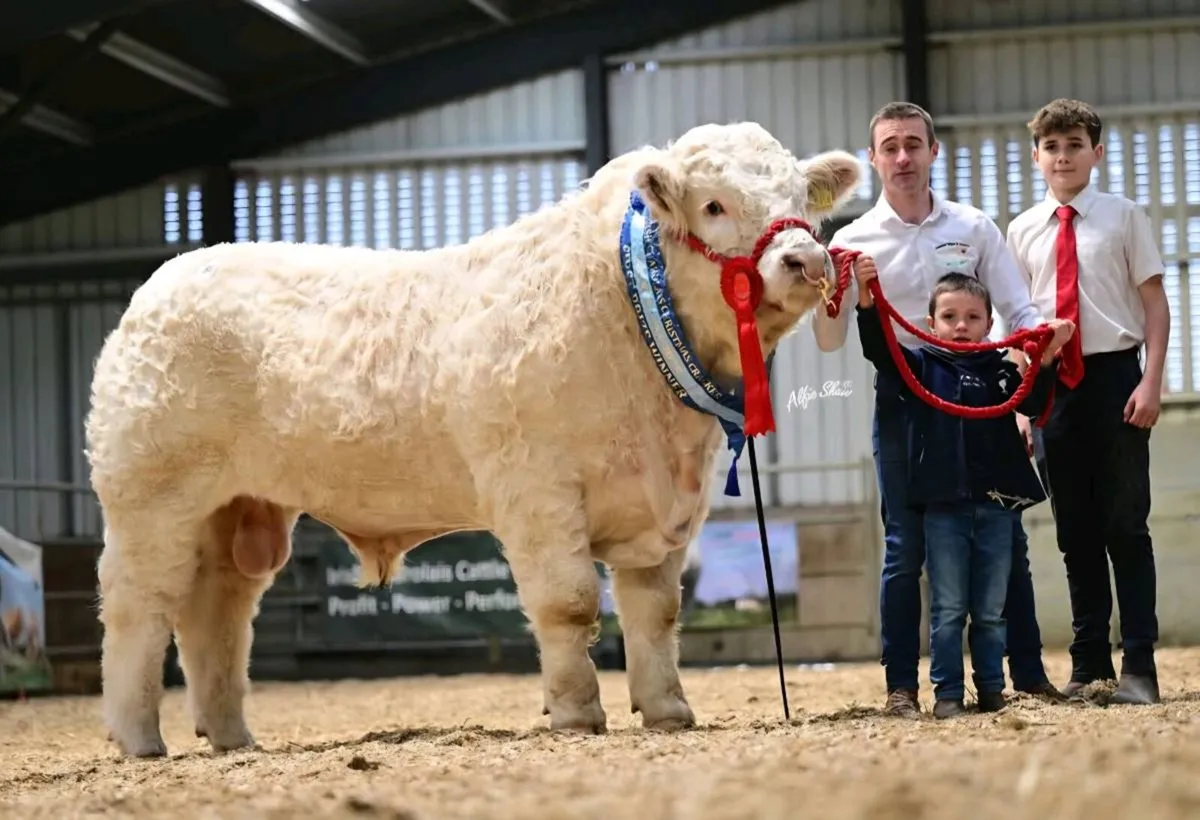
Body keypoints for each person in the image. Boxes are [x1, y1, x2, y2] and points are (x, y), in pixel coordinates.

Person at [813, 101, 1068, 718]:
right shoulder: (849, 241)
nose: (902, 157)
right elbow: (828, 339)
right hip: (905, 402)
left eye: (913, 144)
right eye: (890, 146)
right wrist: (850, 292)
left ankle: (1027, 674)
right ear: (873, 158)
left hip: (981, 399)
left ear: (933, 151)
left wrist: (1042, 345)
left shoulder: (974, 226)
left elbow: (1017, 307)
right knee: (904, 546)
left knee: (1004, 534)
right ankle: (902, 685)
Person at [1005, 98, 1170, 705]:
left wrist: (1151, 381)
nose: (1063, 156)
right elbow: (1019, 327)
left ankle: (1141, 667)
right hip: (1052, 389)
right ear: (1036, 156)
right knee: (1074, 534)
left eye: (1075, 144)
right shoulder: (1020, 231)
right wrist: (1025, 405)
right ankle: (1089, 665)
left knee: (1126, 524)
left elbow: (1155, 304)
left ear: (1096, 153)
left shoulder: (1124, 217)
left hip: (1115, 381)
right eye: (1052, 146)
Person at [854, 267, 1074, 717]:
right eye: (950, 315)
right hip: (943, 508)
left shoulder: (1003, 372)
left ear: (989, 323)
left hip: (995, 506)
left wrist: (1046, 361)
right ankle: (948, 694)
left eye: (973, 317)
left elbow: (1033, 403)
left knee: (992, 609)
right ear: (930, 322)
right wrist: (866, 303)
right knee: (949, 606)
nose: (961, 325)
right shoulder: (920, 367)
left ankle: (992, 689)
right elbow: (880, 351)